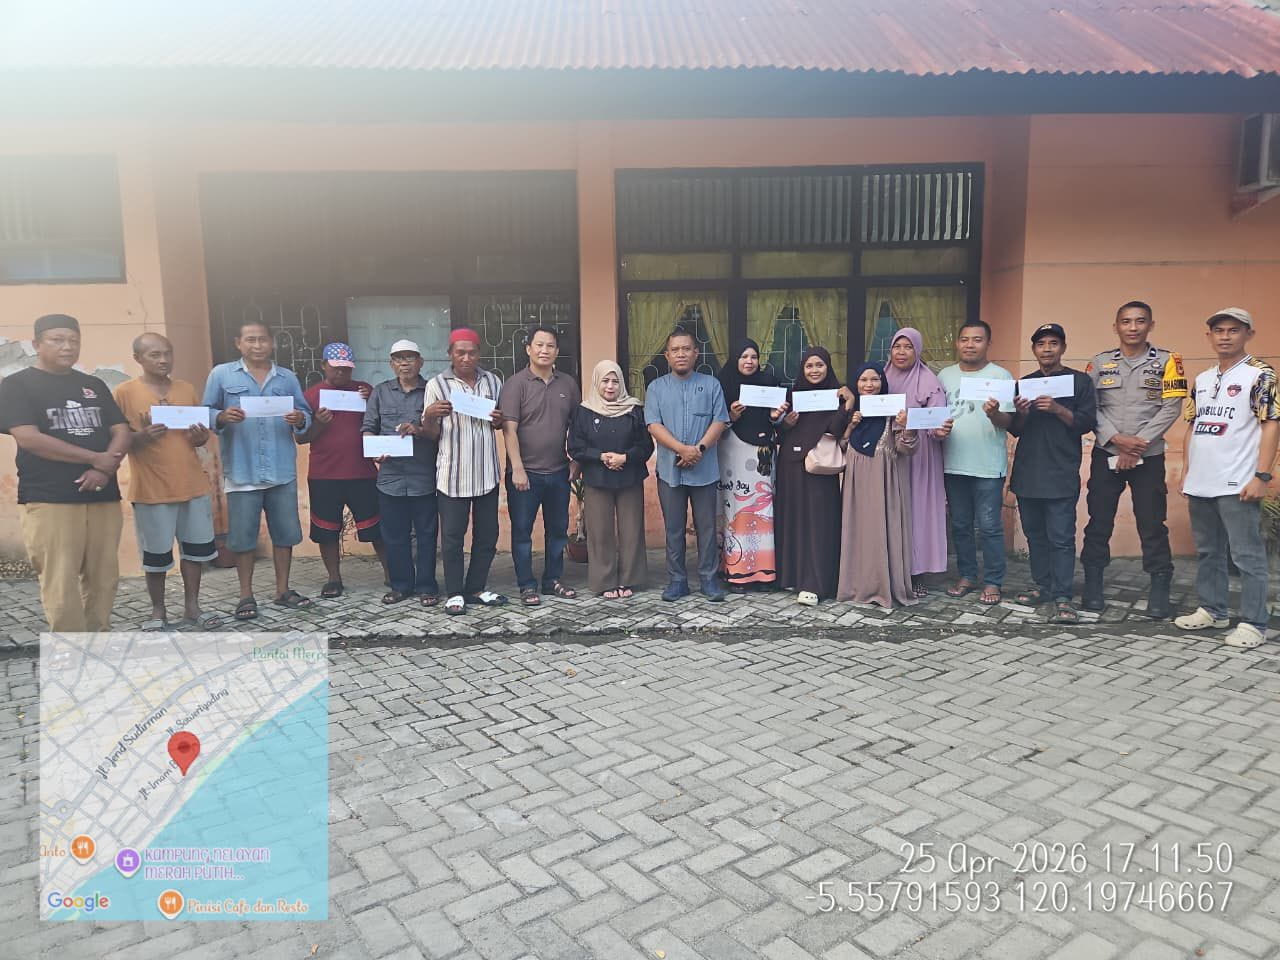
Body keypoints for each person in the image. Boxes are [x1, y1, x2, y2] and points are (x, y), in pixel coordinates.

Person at [0, 314, 130, 631]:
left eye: (73, 340)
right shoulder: (17, 385)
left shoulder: (93, 385)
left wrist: (105, 468)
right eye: (57, 340)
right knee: (60, 579)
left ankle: (99, 640)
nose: (67, 346)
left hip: (102, 494)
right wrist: (95, 459)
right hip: (50, 497)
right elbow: (29, 438)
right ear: (36, 344)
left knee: (104, 576)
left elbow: (121, 429)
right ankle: (70, 647)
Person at [1175, 308, 1279, 649]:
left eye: (1233, 330)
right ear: (1209, 336)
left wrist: (1262, 475)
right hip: (1202, 480)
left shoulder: (1260, 375)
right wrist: (1187, 470)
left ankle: (1254, 623)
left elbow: (1271, 423)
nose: (1225, 336)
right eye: (1218, 330)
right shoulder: (1204, 378)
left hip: (1238, 481)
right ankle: (1213, 610)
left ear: (1248, 334)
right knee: (1209, 551)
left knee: (1247, 556)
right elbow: (1193, 425)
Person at [1080, 301, 1186, 618]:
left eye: (1140, 321)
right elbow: (1091, 407)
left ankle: (1160, 588)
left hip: (1148, 456)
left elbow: (1171, 407)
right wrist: (1116, 439)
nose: (1133, 327)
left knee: (1152, 524)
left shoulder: (1169, 361)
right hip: (1107, 454)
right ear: (1116, 327)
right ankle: (1093, 584)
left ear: (1150, 325)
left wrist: (1136, 445)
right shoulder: (1099, 362)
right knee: (1098, 521)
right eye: (1126, 321)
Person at [203, 320, 313, 620]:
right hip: (242, 470)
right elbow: (206, 411)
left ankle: (283, 590)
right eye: (250, 339)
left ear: (272, 342)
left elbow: (305, 413)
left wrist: (299, 419)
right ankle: (245, 595)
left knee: (285, 534)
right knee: (242, 538)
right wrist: (222, 416)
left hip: (280, 469)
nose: (257, 345)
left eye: (263, 339)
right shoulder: (222, 374)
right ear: (238, 343)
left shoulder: (286, 377)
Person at [114, 332, 220, 630]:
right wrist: (142, 437)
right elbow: (117, 439)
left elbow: (199, 438)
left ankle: (192, 607)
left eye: (167, 353)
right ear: (138, 358)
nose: (163, 360)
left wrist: (200, 437)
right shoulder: (124, 392)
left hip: (192, 485)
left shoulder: (186, 389)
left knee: (195, 553)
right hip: (152, 490)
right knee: (156, 558)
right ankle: (158, 612)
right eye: (154, 355)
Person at [1008, 323, 1097, 624]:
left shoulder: (1079, 382)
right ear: (1034, 349)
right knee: (1035, 535)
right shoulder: (1024, 384)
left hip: (1061, 470)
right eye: (1041, 344)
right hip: (1028, 470)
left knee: (1060, 537)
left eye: (1053, 343)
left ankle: (1062, 595)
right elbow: (1016, 429)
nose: (1047, 349)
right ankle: (1042, 585)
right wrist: (1021, 412)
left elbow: (1086, 422)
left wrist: (1058, 409)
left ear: (1063, 348)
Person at [422, 327, 506, 615]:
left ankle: (476, 588)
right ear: (450, 354)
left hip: (486, 472)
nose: (466, 358)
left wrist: (498, 420)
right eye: (460, 353)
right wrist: (429, 416)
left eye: (472, 352)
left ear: (479, 354)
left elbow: (498, 423)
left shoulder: (493, 381)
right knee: (452, 538)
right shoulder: (437, 385)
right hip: (452, 475)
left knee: (487, 536)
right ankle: (455, 593)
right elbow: (431, 434)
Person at [645, 328, 731, 602]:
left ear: (696, 353)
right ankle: (677, 580)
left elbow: (719, 420)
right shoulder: (656, 388)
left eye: (686, 349)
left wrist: (699, 449)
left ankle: (708, 579)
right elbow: (653, 424)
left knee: (707, 528)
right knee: (674, 528)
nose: (680, 354)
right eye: (675, 350)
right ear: (667, 355)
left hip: (705, 470)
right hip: (670, 471)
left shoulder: (711, 384)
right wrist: (682, 449)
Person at [499, 325, 580, 606]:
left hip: (559, 472)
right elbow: (509, 429)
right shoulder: (515, 384)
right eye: (539, 345)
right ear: (528, 349)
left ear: (557, 351)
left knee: (557, 530)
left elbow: (578, 427)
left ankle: (552, 580)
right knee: (522, 531)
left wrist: (576, 460)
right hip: (525, 474)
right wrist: (518, 468)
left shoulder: (568, 384)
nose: (544, 350)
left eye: (550, 346)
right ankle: (526, 584)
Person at [299, 342, 387, 599]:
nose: (341, 373)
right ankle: (333, 579)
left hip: (363, 473)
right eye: (336, 368)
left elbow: (381, 424)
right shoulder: (311, 396)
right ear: (323, 366)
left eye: (346, 369)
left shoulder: (365, 391)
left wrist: (371, 401)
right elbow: (302, 438)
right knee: (327, 531)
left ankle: (391, 574)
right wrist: (319, 423)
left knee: (378, 528)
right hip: (324, 475)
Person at [936, 321, 1015, 605]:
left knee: (990, 526)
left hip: (987, 466)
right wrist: (937, 429)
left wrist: (994, 414)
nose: (970, 345)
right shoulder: (944, 376)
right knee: (960, 525)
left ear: (988, 343)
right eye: (965, 339)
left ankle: (993, 581)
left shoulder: (1001, 376)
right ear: (957, 343)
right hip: (953, 463)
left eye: (977, 339)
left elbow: (1009, 422)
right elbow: (935, 414)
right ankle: (967, 575)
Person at [363, 339, 440, 607]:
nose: (404, 363)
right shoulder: (380, 392)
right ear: (391, 363)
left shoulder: (431, 391)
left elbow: (440, 433)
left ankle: (427, 586)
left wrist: (418, 429)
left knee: (427, 536)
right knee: (394, 536)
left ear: (420, 362)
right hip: (390, 478)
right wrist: (374, 451)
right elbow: (368, 427)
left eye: (409, 357)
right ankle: (401, 586)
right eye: (398, 358)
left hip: (424, 477)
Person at [568, 361, 653, 598]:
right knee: (599, 531)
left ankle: (630, 579)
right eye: (605, 381)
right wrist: (600, 456)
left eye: (615, 381)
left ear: (621, 384)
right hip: (597, 478)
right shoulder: (584, 411)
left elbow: (645, 445)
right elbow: (575, 446)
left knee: (632, 530)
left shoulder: (634, 409)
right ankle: (604, 581)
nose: (610, 386)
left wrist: (625, 457)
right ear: (597, 382)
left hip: (630, 476)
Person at [773, 346, 851, 606]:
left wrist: (848, 403)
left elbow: (836, 430)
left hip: (820, 467)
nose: (814, 370)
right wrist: (785, 423)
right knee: (794, 520)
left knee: (820, 523)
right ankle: (792, 577)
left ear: (828, 367)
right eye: (809, 366)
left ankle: (816, 582)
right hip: (791, 467)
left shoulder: (837, 394)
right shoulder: (793, 395)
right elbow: (779, 433)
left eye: (819, 365)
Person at [836, 362, 917, 607]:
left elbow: (906, 449)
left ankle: (883, 586)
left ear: (883, 382)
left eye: (874, 379)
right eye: (863, 380)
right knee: (859, 532)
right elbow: (841, 447)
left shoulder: (893, 412)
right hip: (856, 487)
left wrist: (907, 425)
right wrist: (851, 425)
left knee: (882, 530)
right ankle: (857, 585)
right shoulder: (853, 412)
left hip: (884, 484)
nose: (869, 385)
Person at [885, 327, 949, 597]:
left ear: (918, 350)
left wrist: (940, 430)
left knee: (917, 512)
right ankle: (888, 570)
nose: (901, 352)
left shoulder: (929, 382)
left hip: (920, 457)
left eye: (908, 347)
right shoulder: (882, 377)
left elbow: (936, 423)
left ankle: (917, 573)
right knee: (890, 510)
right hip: (888, 454)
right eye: (897, 346)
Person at [716, 339, 779, 592]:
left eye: (753, 357)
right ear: (735, 359)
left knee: (763, 514)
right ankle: (736, 572)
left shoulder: (768, 382)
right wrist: (731, 416)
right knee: (737, 513)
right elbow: (715, 426)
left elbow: (777, 422)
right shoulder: (723, 385)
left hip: (762, 457)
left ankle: (764, 573)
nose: (749, 361)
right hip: (733, 455)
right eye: (744, 356)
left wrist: (776, 417)